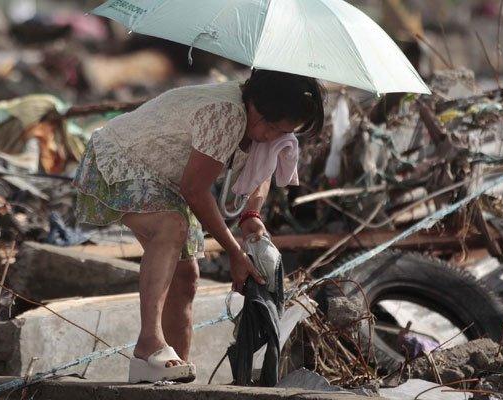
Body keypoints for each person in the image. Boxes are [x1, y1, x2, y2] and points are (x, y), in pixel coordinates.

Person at [73, 69, 324, 383]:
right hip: (119, 157)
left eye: (284, 133)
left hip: (167, 180)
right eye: (272, 128)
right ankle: (149, 343)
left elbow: (263, 162)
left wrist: (252, 217)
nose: (275, 137)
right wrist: (235, 252)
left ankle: (168, 373)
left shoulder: (264, 123)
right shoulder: (226, 113)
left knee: (186, 277)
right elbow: (195, 189)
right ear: (256, 108)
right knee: (170, 226)